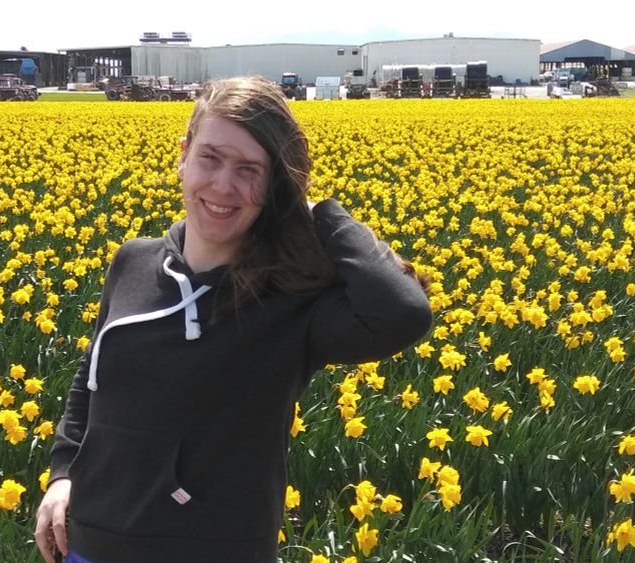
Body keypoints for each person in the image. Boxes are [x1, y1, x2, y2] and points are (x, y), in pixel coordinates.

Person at [34, 75, 432, 563]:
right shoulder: (133, 262)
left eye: (249, 169)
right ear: (183, 154)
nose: (223, 185)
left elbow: (403, 313)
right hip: (92, 545)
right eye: (210, 158)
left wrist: (317, 211)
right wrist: (63, 474)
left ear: (275, 184)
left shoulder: (290, 299)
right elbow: (91, 381)